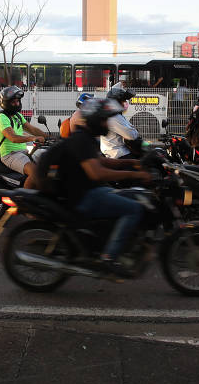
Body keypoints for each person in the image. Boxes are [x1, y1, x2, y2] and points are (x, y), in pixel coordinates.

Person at [47, 98, 151, 277]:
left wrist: (132, 162)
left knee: (129, 195)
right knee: (133, 209)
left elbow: (102, 161)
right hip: (82, 196)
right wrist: (134, 174)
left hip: (90, 191)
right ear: (95, 120)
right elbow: (98, 173)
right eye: (104, 119)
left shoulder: (89, 139)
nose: (106, 123)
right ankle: (108, 257)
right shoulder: (81, 139)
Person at [0, 85, 47, 189]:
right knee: (35, 173)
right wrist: (32, 138)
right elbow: (13, 137)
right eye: (13, 102)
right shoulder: (2, 118)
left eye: (18, 101)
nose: (17, 104)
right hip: (10, 155)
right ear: (5, 103)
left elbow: (32, 129)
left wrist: (49, 137)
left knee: (46, 164)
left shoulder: (17, 116)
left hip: (22, 152)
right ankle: (23, 201)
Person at [101, 83, 141, 159]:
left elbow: (130, 128)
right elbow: (131, 135)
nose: (124, 103)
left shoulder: (115, 115)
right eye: (122, 101)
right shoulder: (113, 117)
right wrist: (135, 131)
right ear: (115, 102)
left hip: (118, 151)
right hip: (118, 154)